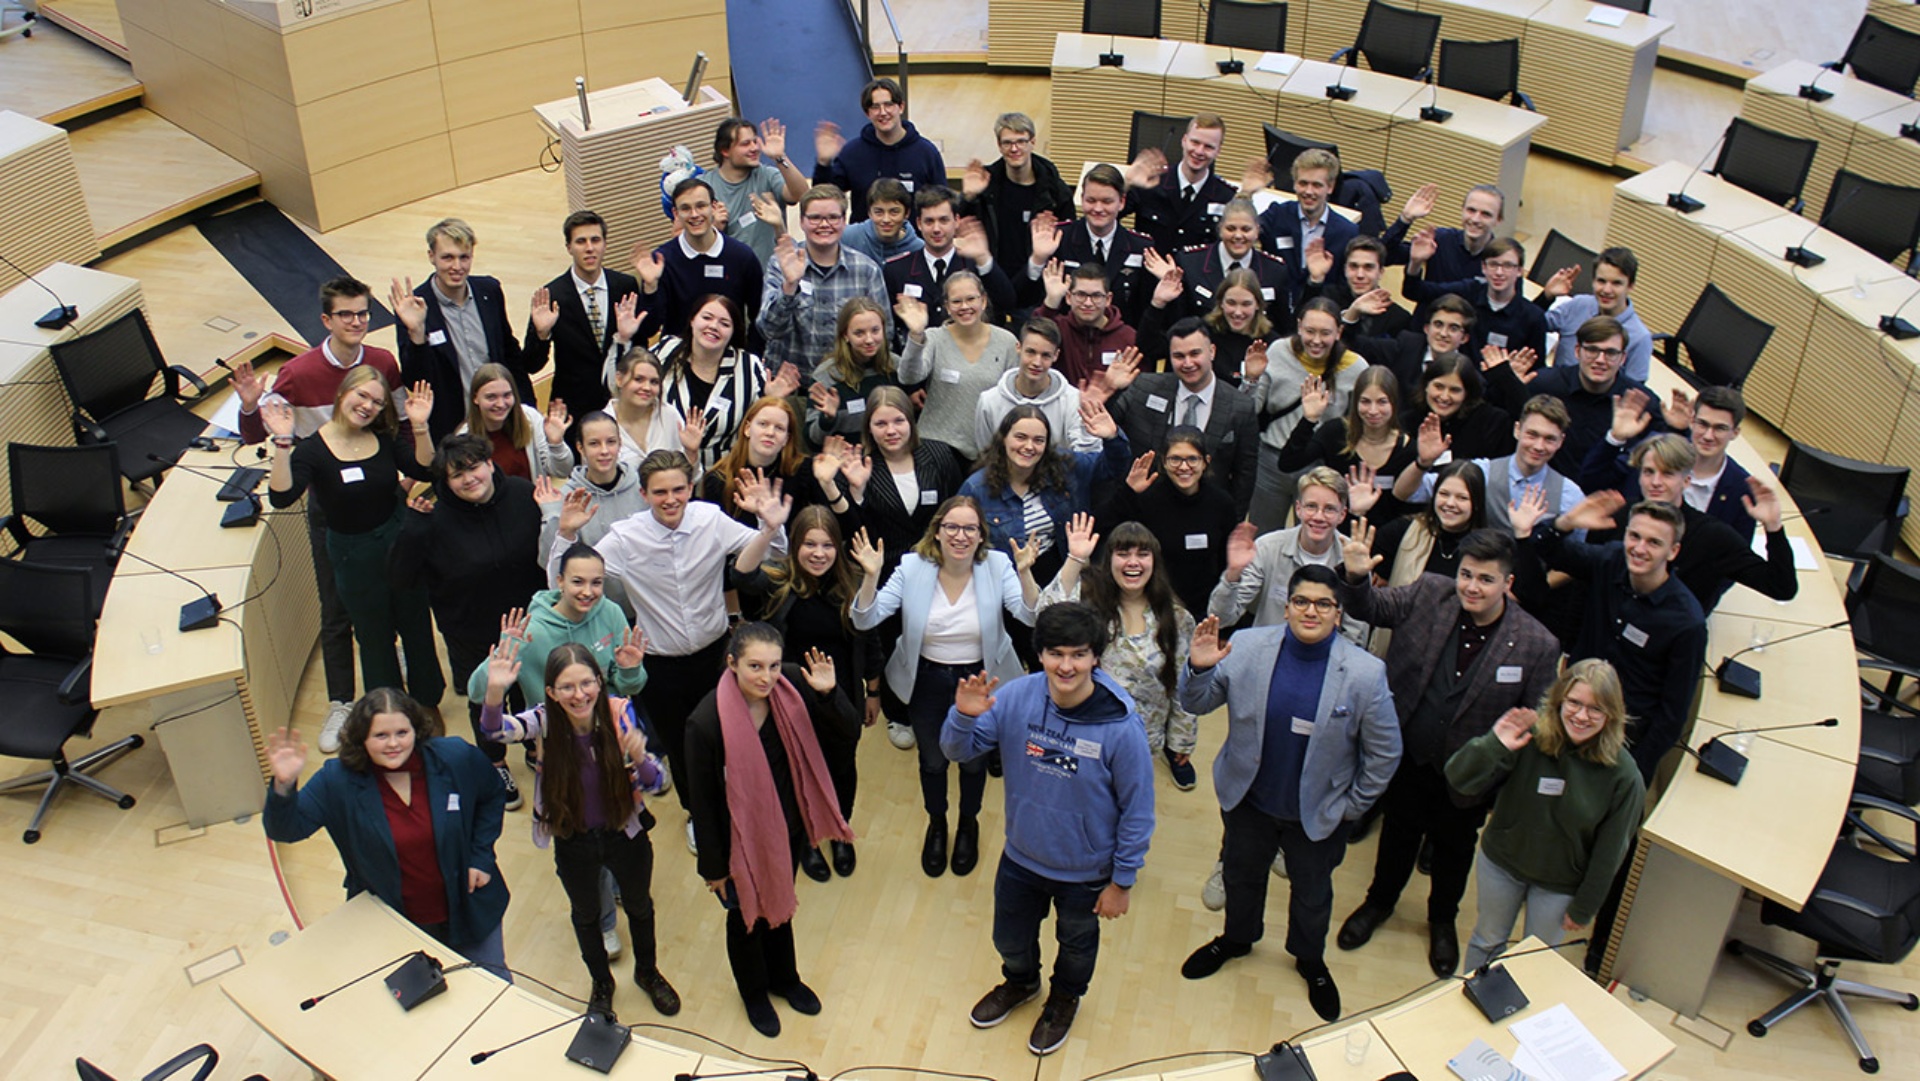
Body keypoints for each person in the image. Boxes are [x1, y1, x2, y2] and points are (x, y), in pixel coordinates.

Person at [1332, 528, 1562, 978]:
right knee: (1397, 835)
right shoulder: (1429, 594)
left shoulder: (1537, 644)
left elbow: (1539, 717)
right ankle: (1379, 903)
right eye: (1466, 575)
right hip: (1408, 758)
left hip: (1472, 779)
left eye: (1486, 580)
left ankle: (1441, 921)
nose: (1472, 587)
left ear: (1507, 584)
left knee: (1454, 851)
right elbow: (1370, 608)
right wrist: (1356, 576)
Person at [1176, 567, 1402, 1022]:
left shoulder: (1364, 674)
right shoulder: (1249, 647)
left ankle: (1309, 960)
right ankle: (1237, 939)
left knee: (1313, 894)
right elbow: (1196, 703)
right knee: (1241, 877)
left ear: (1339, 614)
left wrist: (1350, 808)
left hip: (1318, 815)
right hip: (1249, 803)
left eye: (1323, 604)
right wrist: (1198, 669)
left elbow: (1385, 754)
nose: (1310, 611)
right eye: (1301, 601)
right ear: (1286, 606)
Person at [550, 449, 791, 846]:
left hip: (716, 657)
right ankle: (699, 815)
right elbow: (566, 582)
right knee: (682, 749)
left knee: (733, 735)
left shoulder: (710, 519)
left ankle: (741, 805)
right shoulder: (626, 538)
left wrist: (769, 526)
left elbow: (776, 550)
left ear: (690, 488)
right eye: (660, 492)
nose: (671, 499)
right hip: (661, 668)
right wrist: (567, 536)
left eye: (679, 489)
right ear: (643, 494)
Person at [945, 602, 1154, 1056]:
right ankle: (1020, 984)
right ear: (1039, 654)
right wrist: (963, 715)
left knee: (1076, 948)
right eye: (1055, 653)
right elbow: (957, 751)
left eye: (1078, 654)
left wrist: (1122, 882)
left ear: (1095, 657)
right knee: (1008, 939)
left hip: (1086, 871)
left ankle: (1063, 1000)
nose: (1066, 665)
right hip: (1021, 856)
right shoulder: (1017, 697)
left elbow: (1139, 811)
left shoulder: (1121, 725)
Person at [230, 275, 399, 750]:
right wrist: (248, 408)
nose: (356, 322)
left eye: (363, 313)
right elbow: (259, 434)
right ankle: (342, 701)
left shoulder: (384, 363)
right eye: (346, 314)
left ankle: (387, 659)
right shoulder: (299, 374)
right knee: (336, 606)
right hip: (331, 510)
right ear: (327, 320)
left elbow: (402, 423)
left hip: (384, 502)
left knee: (387, 590)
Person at [479, 644, 679, 1019]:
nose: (579, 694)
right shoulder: (544, 721)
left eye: (587, 683)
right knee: (586, 915)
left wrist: (639, 758)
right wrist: (494, 692)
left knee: (639, 906)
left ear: (600, 683)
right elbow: (493, 731)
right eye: (567, 687)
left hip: (626, 835)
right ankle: (602, 982)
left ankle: (648, 973)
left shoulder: (619, 713)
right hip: (574, 841)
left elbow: (656, 783)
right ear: (551, 692)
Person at [850, 497, 1040, 878]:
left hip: (981, 678)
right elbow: (864, 618)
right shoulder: (911, 566)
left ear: (981, 535)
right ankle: (937, 823)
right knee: (933, 760)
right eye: (952, 526)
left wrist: (1025, 575)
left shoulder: (998, 565)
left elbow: (1030, 614)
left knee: (973, 760)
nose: (960, 535)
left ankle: (968, 823)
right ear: (937, 530)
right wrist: (870, 576)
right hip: (927, 679)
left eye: (970, 528)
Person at [684, 624, 857, 1037]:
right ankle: (754, 992)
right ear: (732, 664)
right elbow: (702, 804)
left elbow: (848, 733)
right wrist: (714, 868)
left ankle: (785, 979)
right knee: (746, 920)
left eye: (774, 665)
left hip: (787, 827)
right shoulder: (706, 722)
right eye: (755, 666)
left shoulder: (795, 684)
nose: (766, 676)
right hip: (738, 844)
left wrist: (830, 695)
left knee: (779, 904)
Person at [264, 691, 509, 975]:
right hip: (395, 921)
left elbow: (492, 794)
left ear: (416, 731)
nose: (393, 744)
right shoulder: (336, 781)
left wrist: (480, 857)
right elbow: (288, 829)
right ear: (361, 738)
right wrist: (284, 786)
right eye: (380, 736)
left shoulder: (455, 757)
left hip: (469, 908)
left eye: (402, 732)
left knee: (493, 990)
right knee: (420, 1002)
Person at [264, 369, 444, 713]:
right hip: (353, 554)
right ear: (343, 393)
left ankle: (428, 700)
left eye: (377, 401)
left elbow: (424, 469)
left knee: (416, 622)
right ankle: (390, 709)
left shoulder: (383, 437)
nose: (368, 406)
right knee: (373, 637)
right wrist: (283, 443)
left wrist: (420, 426)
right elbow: (282, 497)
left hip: (398, 540)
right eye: (362, 395)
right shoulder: (312, 450)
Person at [1446, 660, 1645, 971]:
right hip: (1503, 864)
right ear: (1559, 700)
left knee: (1535, 961)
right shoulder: (1530, 735)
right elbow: (1458, 778)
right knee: (1487, 940)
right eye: (1574, 703)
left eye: (1595, 709)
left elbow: (1611, 851)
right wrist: (1493, 745)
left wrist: (1585, 907)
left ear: (1612, 715)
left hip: (1560, 884)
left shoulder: (1625, 777)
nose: (1581, 716)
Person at [391, 432, 547, 807]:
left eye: (474, 466)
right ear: (445, 482)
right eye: (456, 475)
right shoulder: (430, 517)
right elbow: (399, 577)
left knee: (529, 689)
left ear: (490, 464)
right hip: (471, 630)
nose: (469, 478)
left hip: (529, 625)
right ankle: (494, 763)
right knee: (486, 699)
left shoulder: (524, 496)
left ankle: (531, 742)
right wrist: (413, 527)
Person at [1510, 495, 1704, 783]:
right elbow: (1545, 547)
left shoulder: (1686, 621)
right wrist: (1566, 523)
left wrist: (1635, 772)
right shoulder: (1611, 560)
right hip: (1569, 714)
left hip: (1621, 739)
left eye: (1653, 542)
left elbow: (1672, 714)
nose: (1639, 549)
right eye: (1634, 536)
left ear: (1673, 551)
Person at [732, 505, 880, 880]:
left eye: (827, 545)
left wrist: (874, 689)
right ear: (795, 546)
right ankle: (808, 840)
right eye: (809, 544)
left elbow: (869, 635)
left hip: (840, 697)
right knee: (796, 771)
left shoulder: (851, 585)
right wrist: (767, 530)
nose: (818, 553)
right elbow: (742, 574)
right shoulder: (779, 584)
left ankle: (839, 831)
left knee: (842, 770)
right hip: (788, 699)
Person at [1042, 515, 1199, 789]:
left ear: (1155, 562)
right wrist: (1075, 560)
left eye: (1142, 554)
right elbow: (1047, 618)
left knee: (1128, 807)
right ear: (1109, 560)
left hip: (1140, 741)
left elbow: (1183, 686)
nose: (1133, 562)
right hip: (1085, 734)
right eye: (1123, 554)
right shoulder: (1088, 605)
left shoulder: (1177, 619)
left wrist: (1181, 740)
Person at [1579, 431, 1796, 613]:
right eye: (1648, 472)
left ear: (1686, 480)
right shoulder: (1618, 515)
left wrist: (1773, 527)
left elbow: (1780, 587)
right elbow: (1586, 580)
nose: (1655, 482)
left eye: (1667, 474)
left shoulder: (1711, 536)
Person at [1097, 318, 1261, 520]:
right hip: (1145, 513)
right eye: (1178, 356)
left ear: (1212, 352)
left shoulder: (1240, 406)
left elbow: (1245, 475)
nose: (1188, 363)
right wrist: (1110, 390)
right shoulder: (1143, 388)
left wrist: (1232, 524)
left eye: (1195, 353)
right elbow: (1107, 426)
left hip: (1205, 517)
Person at [389, 219, 536, 441]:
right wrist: (417, 334)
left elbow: (509, 353)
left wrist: (527, 408)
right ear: (431, 256)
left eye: (464, 257)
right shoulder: (414, 307)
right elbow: (415, 381)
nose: (457, 267)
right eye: (447, 257)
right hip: (455, 430)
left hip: (502, 420)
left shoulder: (490, 291)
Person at [961, 403, 1131, 588]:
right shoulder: (976, 488)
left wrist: (1112, 437)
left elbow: (1112, 468)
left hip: (1062, 577)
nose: (1029, 446)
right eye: (1020, 437)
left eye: (1038, 440)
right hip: (1004, 585)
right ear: (1003, 439)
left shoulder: (1064, 466)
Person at [1242, 299, 1370, 531]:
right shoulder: (1279, 351)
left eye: (1325, 333)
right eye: (1310, 331)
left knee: (1315, 537)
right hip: (1271, 461)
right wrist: (1251, 379)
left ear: (1339, 332)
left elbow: (1358, 422)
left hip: (1320, 466)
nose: (1316, 340)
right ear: (1299, 326)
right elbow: (1250, 409)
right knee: (1262, 535)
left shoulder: (1356, 367)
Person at [1484, 316, 1662, 477]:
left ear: (1623, 358)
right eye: (1592, 350)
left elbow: (1665, 450)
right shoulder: (1544, 384)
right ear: (1577, 351)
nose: (1600, 360)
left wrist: (1680, 429)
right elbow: (1498, 422)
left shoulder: (1640, 401)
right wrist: (1506, 385)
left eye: (1610, 353)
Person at [1096, 429, 1239, 620]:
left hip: (1202, 607)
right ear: (1163, 462)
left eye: (1192, 459)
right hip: (1152, 604)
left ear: (1206, 462)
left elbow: (1225, 561)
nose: (1184, 466)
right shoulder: (1147, 498)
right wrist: (1128, 492)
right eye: (1175, 459)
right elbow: (1099, 527)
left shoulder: (1222, 503)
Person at [1393, 394, 1584, 532]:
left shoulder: (1570, 495)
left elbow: (1573, 562)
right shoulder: (1481, 472)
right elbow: (1405, 493)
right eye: (1532, 434)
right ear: (1517, 430)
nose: (1538, 446)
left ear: (1561, 442)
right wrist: (1423, 463)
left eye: (1549, 439)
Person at [658, 295, 802, 471]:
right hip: (665, 470)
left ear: (733, 332)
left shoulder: (748, 366)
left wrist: (769, 399)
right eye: (707, 317)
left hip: (720, 474)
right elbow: (624, 385)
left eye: (724, 324)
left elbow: (755, 424)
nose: (713, 326)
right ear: (692, 320)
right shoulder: (666, 351)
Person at [758, 184, 891, 373]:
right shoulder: (781, 264)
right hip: (793, 389)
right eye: (815, 218)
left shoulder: (867, 270)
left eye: (833, 218)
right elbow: (769, 330)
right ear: (802, 222)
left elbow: (885, 335)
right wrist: (789, 287)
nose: (824, 225)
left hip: (847, 386)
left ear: (844, 221)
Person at [1210, 467, 1356, 636]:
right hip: (1269, 654)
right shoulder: (1268, 547)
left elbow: (1354, 633)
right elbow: (1221, 619)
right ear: (1298, 509)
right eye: (1311, 506)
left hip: (1328, 657)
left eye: (1329, 509)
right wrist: (1233, 574)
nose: (1318, 516)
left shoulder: (1353, 557)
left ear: (1342, 515)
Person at [526, 210, 640, 420]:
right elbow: (532, 365)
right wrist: (542, 335)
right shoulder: (551, 296)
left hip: (622, 403)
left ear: (605, 243)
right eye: (581, 241)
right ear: (569, 247)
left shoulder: (625, 286)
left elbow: (639, 347)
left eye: (595, 240)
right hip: (573, 409)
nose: (589, 248)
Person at [1140, 200, 1294, 353]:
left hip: (1252, 358)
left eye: (1246, 229)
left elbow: (1283, 327)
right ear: (1220, 229)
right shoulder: (1190, 262)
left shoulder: (1275, 270)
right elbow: (1175, 323)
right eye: (1231, 228)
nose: (1238, 235)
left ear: (1257, 230)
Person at [897, 270, 1019, 458]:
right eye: (956, 301)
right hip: (935, 450)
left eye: (971, 299)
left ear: (983, 301)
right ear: (946, 306)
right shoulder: (933, 338)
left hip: (987, 453)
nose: (964, 307)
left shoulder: (1007, 342)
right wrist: (916, 334)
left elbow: (1014, 398)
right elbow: (908, 376)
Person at [537, 413, 650, 616]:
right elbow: (549, 564)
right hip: (595, 615)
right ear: (580, 448)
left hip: (645, 608)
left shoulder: (642, 487)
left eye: (611, 442)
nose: (604, 451)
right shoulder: (568, 498)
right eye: (594, 444)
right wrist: (554, 517)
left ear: (620, 443)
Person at [1275, 365, 1416, 523]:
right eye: (1365, 401)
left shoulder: (1408, 449)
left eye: (1382, 402)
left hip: (1384, 539)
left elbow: (1404, 507)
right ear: (1355, 402)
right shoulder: (1336, 432)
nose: (1373, 410)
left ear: (1394, 403)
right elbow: (1288, 463)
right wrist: (1309, 420)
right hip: (1334, 534)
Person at [1022, 163, 1158, 325]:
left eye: (1107, 201)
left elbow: (1143, 310)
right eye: (1091, 200)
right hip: (1066, 339)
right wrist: (1037, 260)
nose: (1098, 208)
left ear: (1121, 202)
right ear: (1082, 199)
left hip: (1119, 342)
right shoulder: (1057, 238)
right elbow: (1026, 299)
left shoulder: (1140, 247)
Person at [635, 177, 764, 343]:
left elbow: (759, 318)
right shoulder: (661, 260)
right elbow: (648, 329)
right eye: (686, 208)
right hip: (678, 360)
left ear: (714, 207)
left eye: (701, 206)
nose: (694, 215)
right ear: (676, 214)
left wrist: (750, 359)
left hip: (730, 359)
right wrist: (650, 287)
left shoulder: (742, 256)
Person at [882, 186, 1014, 347]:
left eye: (943, 220)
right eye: (929, 221)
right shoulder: (897, 270)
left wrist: (983, 259)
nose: (936, 229)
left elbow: (1007, 302)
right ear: (919, 224)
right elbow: (888, 326)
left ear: (956, 221)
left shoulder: (975, 265)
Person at [813, 77, 948, 222]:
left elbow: (941, 203)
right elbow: (824, 199)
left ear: (901, 107)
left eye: (888, 105)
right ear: (867, 113)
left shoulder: (926, 153)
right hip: (863, 243)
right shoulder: (852, 152)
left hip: (914, 241)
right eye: (875, 107)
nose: (882, 112)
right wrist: (824, 163)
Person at [1401, 235, 1547, 368]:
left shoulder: (1534, 317)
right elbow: (1416, 291)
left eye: (1508, 266)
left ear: (1520, 271)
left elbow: (1537, 369)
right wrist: (1415, 262)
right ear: (1483, 267)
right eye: (1493, 264)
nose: (1499, 273)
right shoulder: (1468, 291)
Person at [957, 112, 1078, 272]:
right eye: (1007, 143)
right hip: (994, 276)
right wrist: (968, 197)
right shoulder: (986, 186)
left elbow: (1070, 239)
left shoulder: (1056, 191)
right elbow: (959, 228)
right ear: (999, 145)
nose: (1014, 149)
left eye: (1021, 141)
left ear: (1032, 142)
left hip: (1039, 279)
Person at [699, 396, 829, 525]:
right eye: (763, 424)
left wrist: (828, 484)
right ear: (747, 429)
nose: (770, 432)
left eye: (779, 428)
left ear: (786, 439)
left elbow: (834, 526)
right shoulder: (718, 478)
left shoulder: (802, 470)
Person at [975, 319, 1094, 452]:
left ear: (1056, 355)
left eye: (1045, 355)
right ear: (1018, 348)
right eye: (1031, 352)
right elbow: (987, 453)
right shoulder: (989, 401)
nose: (1037, 362)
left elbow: (1086, 456)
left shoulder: (1073, 400)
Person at [1370, 461, 1489, 594]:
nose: (1450, 503)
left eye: (1462, 498)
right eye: (1444, 494)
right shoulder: (1402, 531)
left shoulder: (1488, 548)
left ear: (1477, 503)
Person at [1257, 149, 1359, 298]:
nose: (1308, 191)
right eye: (1303, 183)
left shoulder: (1347, 232)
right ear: (1294, 184)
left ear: (1330, 187)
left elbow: (1344, 288)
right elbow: (1241, 231)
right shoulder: (1277, 215)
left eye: (1317, 185)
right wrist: (1247, 194)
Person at [1541, 247, 1653, 383]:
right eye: (1601, 281)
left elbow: (1633, 391)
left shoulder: (1640, 338)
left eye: (1616, 283)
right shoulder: (1578, 305)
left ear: (1630, 286)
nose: (1606, 290)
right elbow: (1531, 325)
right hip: (1555, 391)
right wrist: (1546, 297)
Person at [708, 117, 810, 265]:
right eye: (745, 144)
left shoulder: (767, 175)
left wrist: (780, 157)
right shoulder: (706, 186)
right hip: (734, 277)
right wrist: (713, 228)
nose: (754, 148)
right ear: (725, 150)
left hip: (774, 276)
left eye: (755, 141)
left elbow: (802, 194)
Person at [1129, 114, 1237, 254]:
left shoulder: (1226, 197)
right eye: (1195, 142)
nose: (1199, 151)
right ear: (1184, 140)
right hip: (1148, 273)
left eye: (1208, 147)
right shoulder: (1152, 181)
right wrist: (1128, 183)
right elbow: (1107, 217)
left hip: (1194, 275)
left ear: (1218, 151)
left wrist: (1248, 194)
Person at [456, 363, 574, 480]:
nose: (501, 404)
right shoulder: (463, 438)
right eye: (491, 397)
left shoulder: (530, 418)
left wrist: (556, 443)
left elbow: (562, 471)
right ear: (475, 398)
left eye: (507, 395)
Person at [806, 298, 900, 445]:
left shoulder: (896, 366)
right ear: (845, 335)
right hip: (847, 459)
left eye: (875, 330)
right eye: (859, 333)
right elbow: (812, 441)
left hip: (890, 458)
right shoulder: (825, 376)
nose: (869, 340)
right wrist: (828, 419)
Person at [1034, 260, 1138, 388]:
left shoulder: (1128, 337)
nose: (1088, 303)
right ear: (1068, 297)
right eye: (1081, 295)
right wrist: (1051, 302)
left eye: (1096, 296)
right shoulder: (1058, 328)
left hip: (1109, 406)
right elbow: (1034, 337)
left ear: (1108, 299)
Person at [1379, 182, 1506, 284]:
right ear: (1462, 211)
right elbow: (1384, 257)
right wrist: (1405, 219)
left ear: (1498, 220)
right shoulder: (1439, 239)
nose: (1475, 219)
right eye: (1471, 210)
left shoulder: (1503, 258)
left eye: (1486, 214)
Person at [1349, 293, 1475, 393]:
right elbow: (1357, 344)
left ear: (1464, 338)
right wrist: (1354, 311)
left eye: (1453, 328)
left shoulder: (1468, 372)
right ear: (1426, 328)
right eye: (1438, 325)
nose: (1443, 333)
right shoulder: (1407, 346)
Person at [1400, 353, 1514, 462]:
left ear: (1467, 393)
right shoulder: (1407, 422)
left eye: (1454, 390)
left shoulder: (1491, 422)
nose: (1444, 397)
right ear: (1426, 386)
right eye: (1439, 387)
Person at [1301, 235, 1408, 343]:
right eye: (1353, 266)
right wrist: (1316, 278)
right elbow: (1300, 328)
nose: (1360, 275)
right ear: (1345, 269)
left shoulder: (1398, 317)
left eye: (1368, 267)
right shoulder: (1329, 297)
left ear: (1380, 272)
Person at [605, 349, 694, 468]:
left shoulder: (669, 415)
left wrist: (691, 452)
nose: (647, 387)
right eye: (638, 379)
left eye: (654, 382)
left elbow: (691, 477)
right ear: (619, 379)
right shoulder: (602, 424)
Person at [839, 178, 925, 266]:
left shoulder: (919, 250)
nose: (886, 219)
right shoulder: (846, 237)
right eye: (879, 212)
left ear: (906, 213)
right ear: (869, 213)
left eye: (894, 212)